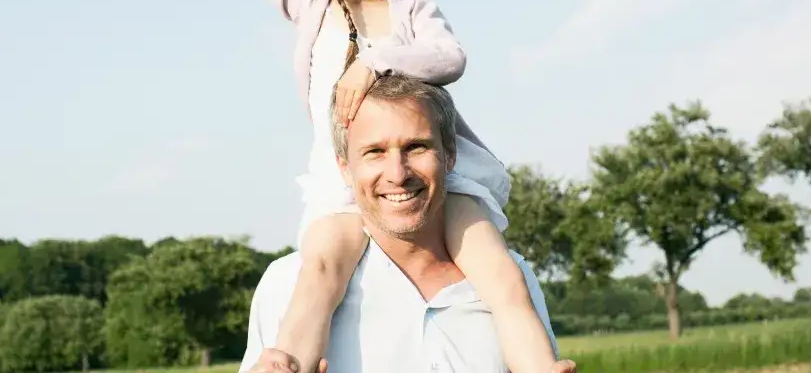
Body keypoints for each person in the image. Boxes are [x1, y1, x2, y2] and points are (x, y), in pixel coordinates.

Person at [179, 0, 558, 372]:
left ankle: (541, 367)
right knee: (321, 271)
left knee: (499, 272)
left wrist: (374, 62)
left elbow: (451, 57)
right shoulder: (309, 5)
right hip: (344, 181)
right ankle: (286, 362)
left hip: (437, 178)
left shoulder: (412, 11)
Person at [239, 75, 577, 373]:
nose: (398, 174)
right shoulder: (287, 284)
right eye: (374, 152)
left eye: (416, 147)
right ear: (344, 167)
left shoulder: (511, 275)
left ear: (450, 156)